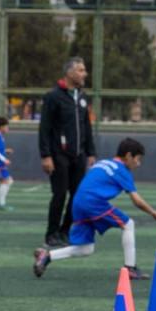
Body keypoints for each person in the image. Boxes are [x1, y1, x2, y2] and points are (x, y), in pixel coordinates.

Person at [33, 138, 156, 279]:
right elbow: (136, 200)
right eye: (138, 159)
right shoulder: (122, 170)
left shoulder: (103, 162)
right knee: (128, 224)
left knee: (86, 248)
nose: (138, 164)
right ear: (129, 156)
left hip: (78, 203)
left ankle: (47, 256)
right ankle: (130, 268)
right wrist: (153, 212)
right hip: (93, 203)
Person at [39, 57, 96, 247]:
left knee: (78, 195)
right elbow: (44, 128)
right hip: (58, 155)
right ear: (70, 73)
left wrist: (90, 152)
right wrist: (46, 155)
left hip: (78, 155)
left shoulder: (82, 97)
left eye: (84, 70)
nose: (84, 74)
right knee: (60, 194)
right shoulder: (53, 96)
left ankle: (65, 231)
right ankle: (51, 233)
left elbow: (86, 126)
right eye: (80, 70)